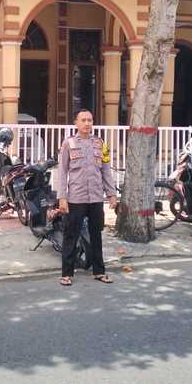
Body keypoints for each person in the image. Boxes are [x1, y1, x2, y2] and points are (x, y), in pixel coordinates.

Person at [56, 109, 118, 286]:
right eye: (83, 120)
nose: (87, 123)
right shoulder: (68, 143)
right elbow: (62, 172)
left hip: (96, 197)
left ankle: (99, 271)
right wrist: (62, 197)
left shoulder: (100, 143)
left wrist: (111, 194)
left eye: (90, 120)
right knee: (71, 235)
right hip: (76, 197)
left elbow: (106, 170)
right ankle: (66, 274)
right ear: (75, 123)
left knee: (96, 235)